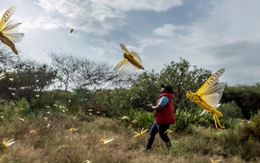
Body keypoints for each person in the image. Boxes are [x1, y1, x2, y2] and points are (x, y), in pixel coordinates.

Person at [145, 84, 175, 151]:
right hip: (160, 120)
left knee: (163, 136)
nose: (161, 88)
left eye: (163, 88)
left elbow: (159, 108)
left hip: (163, 121)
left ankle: (171, 150)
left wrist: (151, 107)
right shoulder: (166, 97)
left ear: (166, 90)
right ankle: (147, 148)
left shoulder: (165, 98)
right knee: (152, 132)